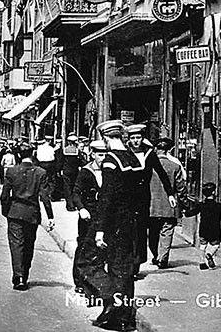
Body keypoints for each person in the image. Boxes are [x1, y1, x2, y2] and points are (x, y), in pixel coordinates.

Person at [91, 120, 150, 331]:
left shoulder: (110, 161)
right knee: (126, 270)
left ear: (106, 138)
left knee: (115, 270)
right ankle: (126, 317)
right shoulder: (133, 158)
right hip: (132, 222)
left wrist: (100, 230)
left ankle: (116, 317)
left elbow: (107, 197)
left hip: (114, 224)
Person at [0, 144, 54, 290]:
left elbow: (5, 195)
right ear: (32, 154)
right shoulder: (41, 172)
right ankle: (25, 275)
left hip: (15, 212)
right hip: (32, 214)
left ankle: (18, 276)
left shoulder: (12, 171)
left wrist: (6, 211)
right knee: (29, 245)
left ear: (18, 155)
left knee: (16, 245)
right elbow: (44, 196)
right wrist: (50, 217)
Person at [125, 123, 175, 278]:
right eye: (132, 138)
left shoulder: (149, 154)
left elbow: (161, 173)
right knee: (128, 231)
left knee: (140, 231)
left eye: (138, 137)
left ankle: (136, 264)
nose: (135, 141)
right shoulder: (124, 153)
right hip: (126, 198)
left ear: (142, 138)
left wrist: (170, 194)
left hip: (143, 198)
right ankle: (128, 263)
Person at [71, 139, 108, 301]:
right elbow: (76, 193)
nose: (103, 157)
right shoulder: (86, 171)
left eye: (106, 154)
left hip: (103, 215)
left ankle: (95, 282)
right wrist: (81, 208)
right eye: (100, 154)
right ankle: (79, 280)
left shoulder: (110, 170)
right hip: (88, 215)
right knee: (84, 247)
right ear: (93, 154)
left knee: (101, 248)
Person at [148, 139, 187, 269]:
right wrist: (184, 203)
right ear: (169, 150)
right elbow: (181, 187)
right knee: (167, 231)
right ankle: (162, 258)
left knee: (153, 232)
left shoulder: (149, 166)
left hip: (151, 205)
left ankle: (155, 256)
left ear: (156, 149)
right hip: (169, 206)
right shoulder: (175, 166)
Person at [186, 182, 221, 269]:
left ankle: (202, 263)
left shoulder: (201, 205)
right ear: (213, 192)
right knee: (215, 244)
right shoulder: (217, 206)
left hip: (203, 229)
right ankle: (209, 254)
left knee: (202, 245)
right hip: (214, 230)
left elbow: (191, 212)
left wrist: (185, 212)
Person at [60, 133, 82, 211]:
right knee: (73, 187)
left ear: (68, 142)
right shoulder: (77, 150)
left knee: (67, 188)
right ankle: (74, 203)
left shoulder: (64, 150)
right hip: (75, 171)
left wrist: (60, 170)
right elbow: (80, 160)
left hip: (66, 170)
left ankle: (70, 205)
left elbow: (61, 161)